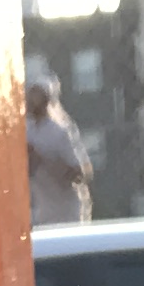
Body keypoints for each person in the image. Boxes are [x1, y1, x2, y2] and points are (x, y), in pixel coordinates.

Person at [24, 69, 94, 229]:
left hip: (66, 212)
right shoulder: (26, 131)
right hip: (40, 211)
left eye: (36, 95)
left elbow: (82, 174)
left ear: (46, 99)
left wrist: (44, 160)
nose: (30, 99)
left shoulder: (60, 131)